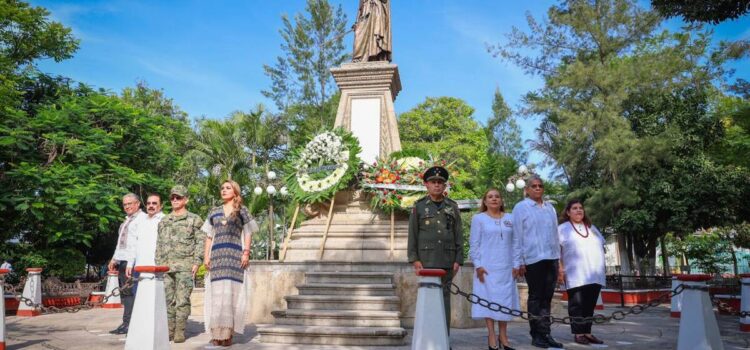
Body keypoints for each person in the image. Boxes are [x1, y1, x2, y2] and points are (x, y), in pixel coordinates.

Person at [407, 166, 463, 336]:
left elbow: (458, 233)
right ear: (426, 185)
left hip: (447, 260)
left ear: (445, 186)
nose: (437, 185)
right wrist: (414, 259)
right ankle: (427, 338)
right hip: (426, 260)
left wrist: (458, 259)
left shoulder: (452, 207)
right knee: (428, 300)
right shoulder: (419, 206)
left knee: (445, 301)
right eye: (433, 182)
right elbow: (413, 234)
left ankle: (444, 339)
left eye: (440, 182)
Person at [201, 180, 258, 347]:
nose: (223, 190)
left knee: (231, 296)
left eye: (228, 188)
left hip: (234, 258)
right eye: (222, 188)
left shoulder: (242, 210)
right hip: (217, 258)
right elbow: (209, 236)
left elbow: (248, 233)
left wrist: (246, 253)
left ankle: (228, 335)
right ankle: (216, 334)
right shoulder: (214, 212)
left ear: (235, 191)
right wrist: (206, 257)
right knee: (217, 296)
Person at [511, 175, 564, 348]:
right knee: (535, 297)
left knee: (547, 298)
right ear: (527, 189)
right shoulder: (521, 207)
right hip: (533, 259)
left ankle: (546, 333)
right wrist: (518, 261)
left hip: (551, 258)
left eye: (540, 185)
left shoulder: (550, 208)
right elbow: (517, 235)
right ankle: (536, 335)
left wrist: (559, 261)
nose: (537, 188)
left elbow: (555, 235)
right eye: (533, 186)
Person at [470, 189, 520, 350]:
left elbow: (517, 243)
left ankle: (504, 337)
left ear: (501, 200)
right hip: (486, 268)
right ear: (484, 201)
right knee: (488, 301)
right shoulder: (478, 219)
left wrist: (516, 264)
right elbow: (474, 244)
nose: (494, 199)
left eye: (497, 196)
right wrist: (478, 265)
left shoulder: (511, 218)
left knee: (504, 302)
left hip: (506, 268)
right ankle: (491, 335)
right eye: (490, 197)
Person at [155, 186, 204, 343]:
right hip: (166, 267)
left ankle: (179, 331)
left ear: (186, 199)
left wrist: (197, 262)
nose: (175, 200)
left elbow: (200, 242)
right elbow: (159, 244)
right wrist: (158, 264)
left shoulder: (194, 219)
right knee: (167, 300)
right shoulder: (164, 221)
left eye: (179, 197)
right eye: (173, 198)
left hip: (185, 266)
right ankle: (169, 330)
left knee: (182, 301)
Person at [558, 200, 606, 345]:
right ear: (568, 212)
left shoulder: (591, 228)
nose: (578, 210)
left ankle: (587, 332)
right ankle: (578, 333)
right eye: (574, 208)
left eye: (580, 208)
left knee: (590, 305)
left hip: (594, 273)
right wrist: (560, 269)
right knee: (577, 304)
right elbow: (557, 251)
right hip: (575, 273)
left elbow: (601, 244)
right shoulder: (562, 229)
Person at [108, 193, 146, 335]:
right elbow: (121, 243)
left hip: (134, 262)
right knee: (126, 294)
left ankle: (129, 324)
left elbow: (137, 244)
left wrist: (131, 263)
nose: (128, 206)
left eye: (130, 203)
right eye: (125, 204)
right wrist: (114, 259)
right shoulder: (127, 221)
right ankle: (127, 323)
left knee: (130, 293)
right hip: (123, 261)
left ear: (137, 204)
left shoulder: (142, 219)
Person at [126, 193, 165, 277]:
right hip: (139, 267)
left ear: (161, 206)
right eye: (148, 203)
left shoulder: (165, 221)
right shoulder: (140, 221)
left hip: (158, 268)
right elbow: (133, 244)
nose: (151, 206)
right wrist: (130, 264)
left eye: (154, 203)